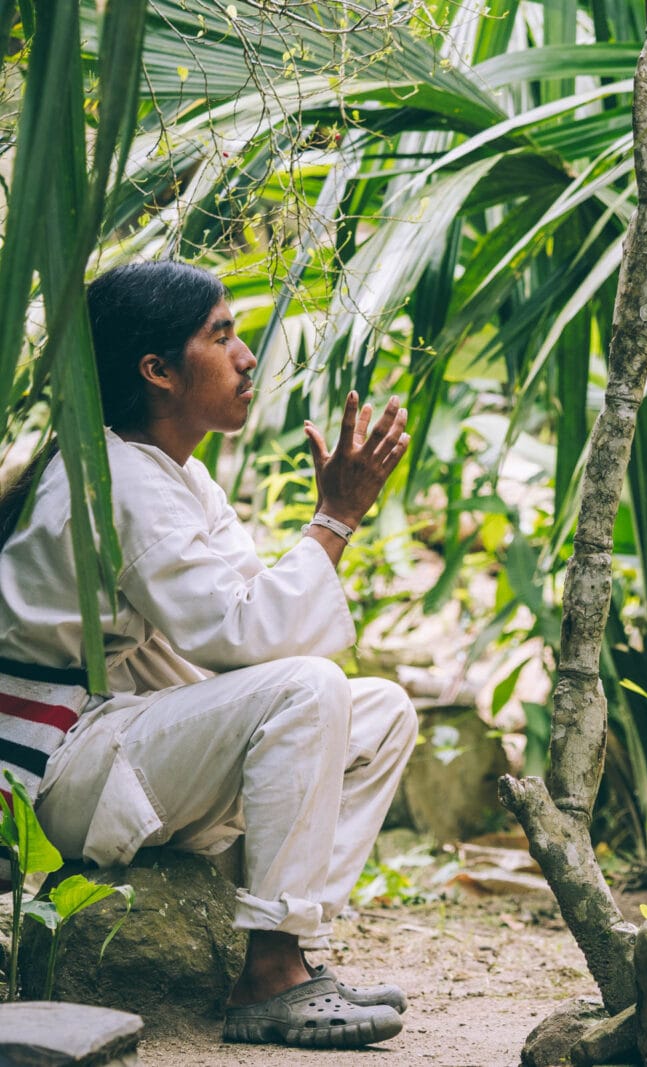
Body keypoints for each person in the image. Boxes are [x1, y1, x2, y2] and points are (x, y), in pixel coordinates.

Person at [0, 260, 418, 1049]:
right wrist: (332, 521)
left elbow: (254, 625)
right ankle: (270, 973)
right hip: (57, 767)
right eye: (220, 335)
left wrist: (332, 523)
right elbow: (246, 635)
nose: (246, 354)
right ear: (156, 370)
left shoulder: (172, 476)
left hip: (116, 739)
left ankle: (283, 939)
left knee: (381, 714)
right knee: (307, 689)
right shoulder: (116, 478)